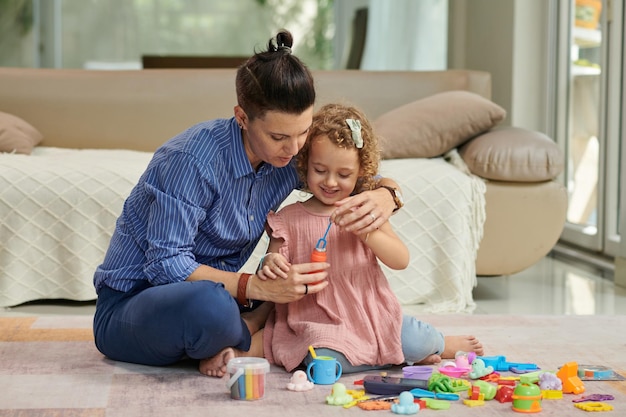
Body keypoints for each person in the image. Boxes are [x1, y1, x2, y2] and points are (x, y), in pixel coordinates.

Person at [92, 30, 401, 378]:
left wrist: (386, 195)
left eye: (302, 132)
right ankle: (256, 340)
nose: (294, 148)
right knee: (213, 307)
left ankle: (240, 339)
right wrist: (254, 287)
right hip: (135, 304)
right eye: (279, 137)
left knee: (300, 294)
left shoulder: (287, 159)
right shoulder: (191, 161)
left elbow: (353, 181)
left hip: (228, 297)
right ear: (242, 117)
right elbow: (166, 265)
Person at [259, 103, 484, 373]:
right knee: (323, 363)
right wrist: (270, 264)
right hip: (320, 322)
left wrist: (367, 232)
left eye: (343, 175)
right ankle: (394, 357)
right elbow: (271, 265)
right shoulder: (289, 218)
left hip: (373, 315)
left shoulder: (366, 210)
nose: (330, 182)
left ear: (361, 173)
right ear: (305, 164)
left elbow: (400, 260)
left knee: (416, 338)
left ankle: (438, 343)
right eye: (320, 170)